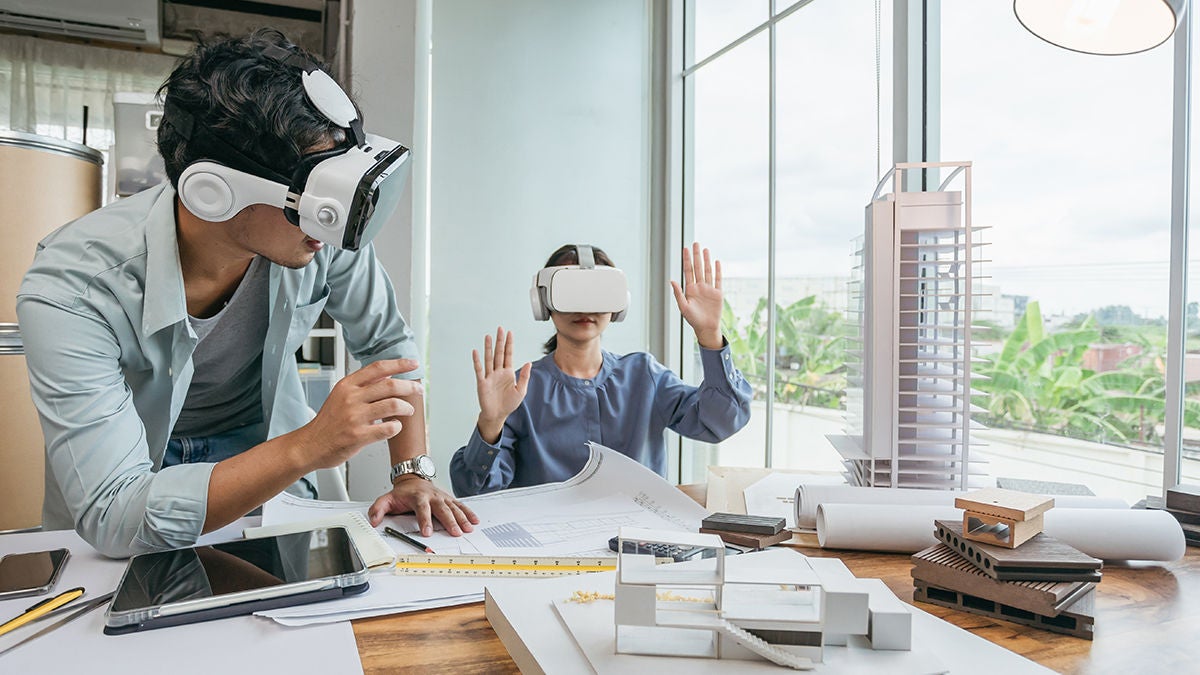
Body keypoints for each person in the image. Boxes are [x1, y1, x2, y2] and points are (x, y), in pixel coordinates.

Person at [17, 29, 475, 558]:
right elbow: (117, 514)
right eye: (318, 193)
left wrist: (411, 473)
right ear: (214, 192)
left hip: (266, 455)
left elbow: (388, 342)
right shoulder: (72, 288)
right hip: (139, 470)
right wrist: (309, 446)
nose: (336, 216)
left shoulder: (318, 227)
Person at [450, 242, 753, 496]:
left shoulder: (644, 376)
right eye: (571, 293)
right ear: (543, 302)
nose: (584, 308)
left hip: (639, 547)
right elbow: (477, 494)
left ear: (618, 304)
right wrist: (491, 424)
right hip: (553, 553)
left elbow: (721, 422)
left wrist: (710, 336)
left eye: (597, 293)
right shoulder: (519, 391)